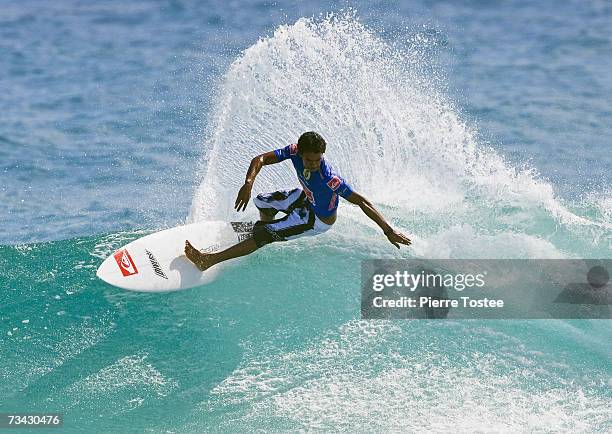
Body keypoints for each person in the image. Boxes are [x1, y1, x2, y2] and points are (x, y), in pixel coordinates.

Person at [185, 131, 411, 271]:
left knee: (262, 235)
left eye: (317, 159)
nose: (313, 164)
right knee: (262, 202)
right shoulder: (293, 151)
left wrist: (387, 230)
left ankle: (209, 260)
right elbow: (261, 159)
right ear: (300, 153)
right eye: (308, 159)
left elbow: (362, 202)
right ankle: (268, 228)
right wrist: (248, 182)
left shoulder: (330, 179)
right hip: (304, 198)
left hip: (316, 220)